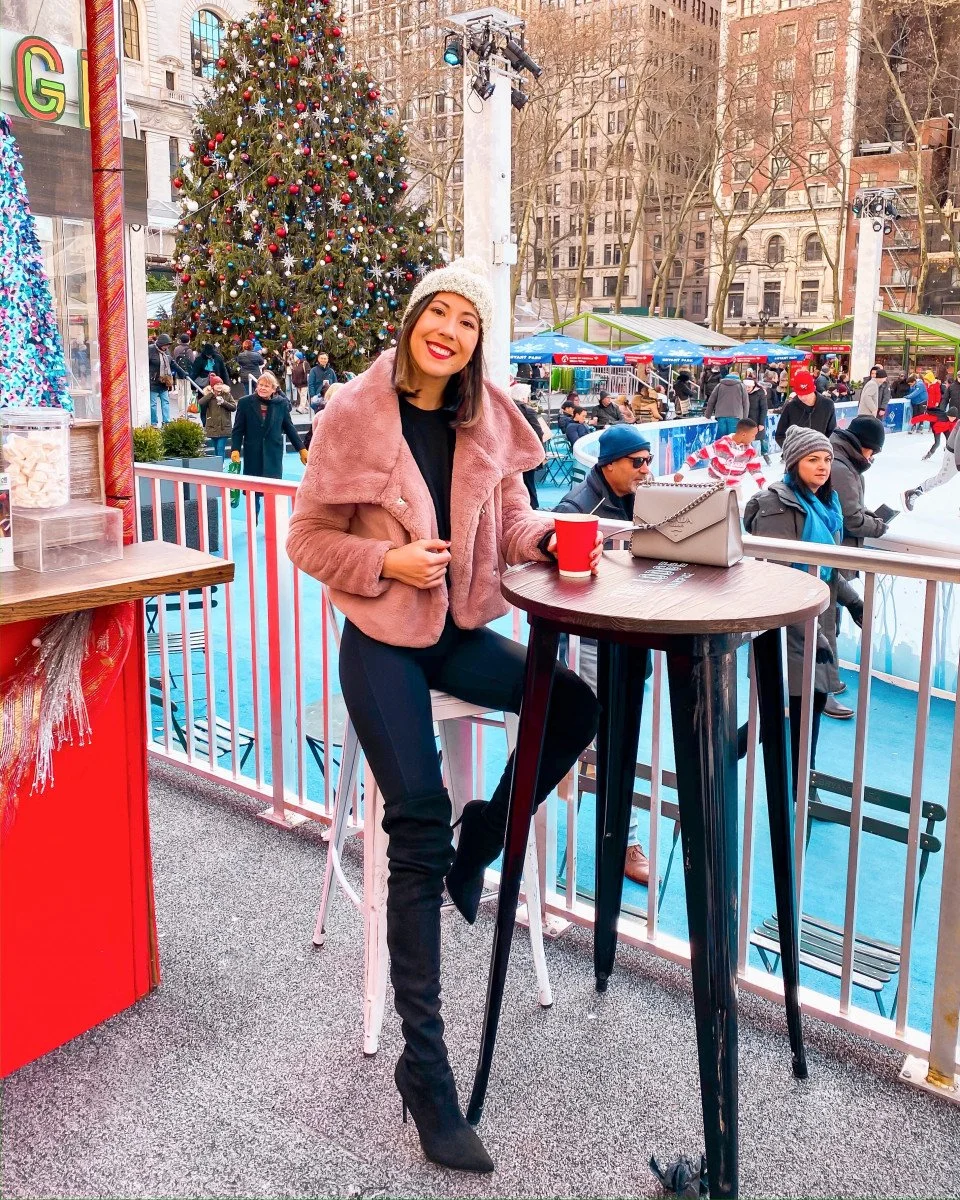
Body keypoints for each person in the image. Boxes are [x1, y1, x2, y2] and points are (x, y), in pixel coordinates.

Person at [286, 259, 600, 1174]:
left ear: (475, 341)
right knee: (413, 810)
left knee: (571, 703)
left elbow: (508, 528)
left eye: (468, 320)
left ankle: (484, 838)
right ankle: (426, 1073)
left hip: (456, 627)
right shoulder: (355, 410)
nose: (451, 330)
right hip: (382, 635)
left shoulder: (488, 419)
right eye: (440, 311)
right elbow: (306, 537)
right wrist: (386, 567)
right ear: (413, 318)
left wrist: (545, 537)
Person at [554, 424, 655, 885]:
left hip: (631, 638)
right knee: (609, 740)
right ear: (609, 463)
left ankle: (573, 761)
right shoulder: (578, 507)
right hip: (590, 642)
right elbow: (548, 568)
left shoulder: (644, 502)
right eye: (638, 462)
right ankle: (623, 840)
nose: (646, 469)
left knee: (614, 739)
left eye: (648, 460)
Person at [742, 427, 847, 792]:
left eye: (827, 459)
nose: (822, 467)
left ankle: (802, 781)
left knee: (805, 705)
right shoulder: (776, 506)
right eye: (812, 460)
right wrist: (812, 627)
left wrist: (852, 600)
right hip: (790, 626)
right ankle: (798, 787)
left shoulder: (825, 504)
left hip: (815, 621)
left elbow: (826, 566)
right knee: (795, 707)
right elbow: (778, 574)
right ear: (793, 463)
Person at [823, 416, 887, 719]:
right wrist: (877, 525)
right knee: (824, 626)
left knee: (827, 622)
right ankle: (824, 689)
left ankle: (826, 685)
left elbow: (848, 509)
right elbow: (851, 518)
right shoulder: (840, 467)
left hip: (828, 556)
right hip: (827, 555)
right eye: (873, 452)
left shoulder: (841, 462)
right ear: (865, 446)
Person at [231, 371, 307, 513]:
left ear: (274, 389)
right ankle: (253, 520)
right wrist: (235, 448)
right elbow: (238, 429)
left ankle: (273, 524)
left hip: (273, 454)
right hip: (253, 454)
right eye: (260, 385)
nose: (262, 388)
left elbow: (289, 428)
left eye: (266, 386)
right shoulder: (245, 403)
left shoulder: (281, 404)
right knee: (253, 491)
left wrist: (301, 449)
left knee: (272, 491)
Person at [674, 417, 766, 503]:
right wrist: (682, 471)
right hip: (714, 485)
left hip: (734, 489)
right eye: (753, 435)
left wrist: (765, 487)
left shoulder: (750, 452)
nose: (754, 438)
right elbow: (698, 455)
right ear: (743, 434)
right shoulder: (720, 445)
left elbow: (756, 472)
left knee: (737, 513)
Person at [903, 419, 960, 511]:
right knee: (941, 479)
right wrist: (958, 462)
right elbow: (958, 441)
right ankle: (914, 493)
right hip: (954, 453)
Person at [510, 381, 548, 509]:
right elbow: (538, 433)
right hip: (526, 453)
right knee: (529, 483)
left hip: (510, 453)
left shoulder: (507, 408)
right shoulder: (528, 411)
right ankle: (533, 507)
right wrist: (541, 454)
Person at [775, 368, 836, 446]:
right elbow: (780, 435)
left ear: (813, 389)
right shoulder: (790, 406)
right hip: (795, 453)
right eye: (800, 394)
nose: (803, 397)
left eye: (807, 394)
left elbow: (832, 433)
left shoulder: (828, 405)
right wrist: (792, 450)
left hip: (820, 452)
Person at [198, 373, 237, 459]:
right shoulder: (209, 396)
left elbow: (234, 407)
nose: (219, 386)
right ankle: (218, 466)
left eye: (220, 384)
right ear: (212, 386)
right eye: (217, 384)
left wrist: (224, 402)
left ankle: (220, 467)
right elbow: (200, 403)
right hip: (213, 427)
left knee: (220, 448)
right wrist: (211, 394)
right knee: (216, 449)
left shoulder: (227, 395)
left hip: (224, 427)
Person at [702, 370, 748, 436]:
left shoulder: (719, 385)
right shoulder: (741, 386)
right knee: (732, 438)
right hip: (735, 416)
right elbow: (746, 404)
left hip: (721, 416)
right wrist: (745, 419)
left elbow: (711, 401)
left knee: (721, 439)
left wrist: (707, 415)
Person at [148, 333, 174, 427]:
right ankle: (154, 423)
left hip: (164, 382)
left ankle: (166, 422)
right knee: (153, 404)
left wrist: (183, 373)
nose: (166, 347)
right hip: (153, 381)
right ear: (160, 344)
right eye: (165, 345)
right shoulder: (151, 349)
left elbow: (172, 362)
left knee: (165, 402)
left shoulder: (166, 351)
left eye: (168, 345)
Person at [744, 375, 770, 462]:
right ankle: (749, 456)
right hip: (747, 419)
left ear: (753, 386)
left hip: (757, 419)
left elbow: (764, 408)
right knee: (748, 438)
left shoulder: (760, 393)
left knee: (762, 438)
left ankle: (765, 453)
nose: (747, 389)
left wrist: (761, 423)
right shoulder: (743, 393)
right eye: (746, 387)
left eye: (749, 387)